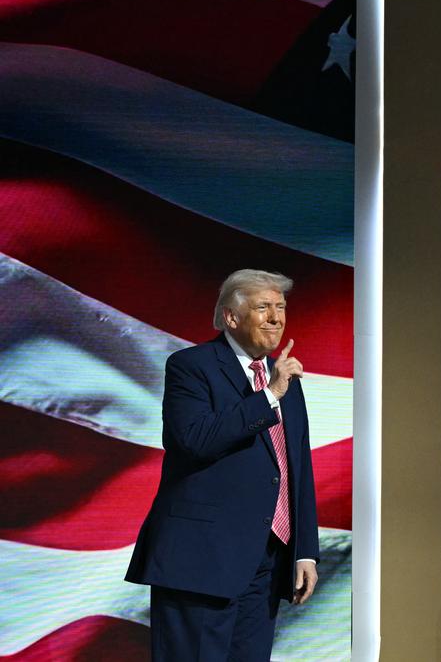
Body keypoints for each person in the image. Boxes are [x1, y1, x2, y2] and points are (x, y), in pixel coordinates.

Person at [127, 269, 321, 661]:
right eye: (263, 307)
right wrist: (268, 396)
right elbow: (193, 439)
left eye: (281, 308)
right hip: (201, 560)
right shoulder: (191, 366)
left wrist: (305, 552)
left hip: (266, 561)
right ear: (231, 318)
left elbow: (295, 466)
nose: (276, 318)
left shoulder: (286, 379)